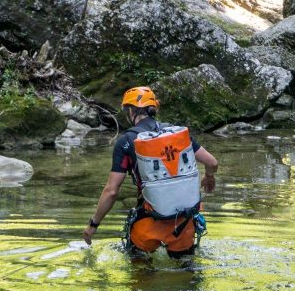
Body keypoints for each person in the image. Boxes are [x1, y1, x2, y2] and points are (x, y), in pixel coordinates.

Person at [82, 86, 218, 257]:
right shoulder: (177, 135)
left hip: (148, 221)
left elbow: (111, 191)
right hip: (183, 223)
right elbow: (212, 162)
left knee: (140, 276)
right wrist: (209, 176)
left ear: (131, 111)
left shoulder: (127, 141)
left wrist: (93, 225)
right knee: (186, 275)